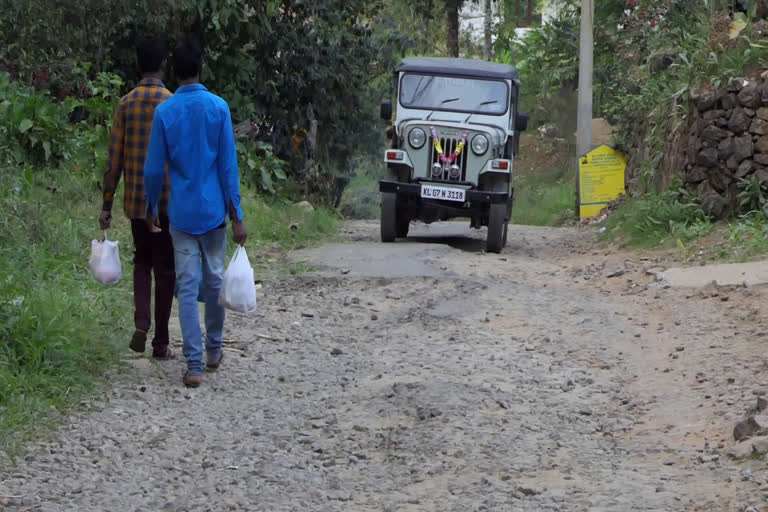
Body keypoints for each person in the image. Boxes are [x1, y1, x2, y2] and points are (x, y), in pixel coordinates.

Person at [144, 40, 247, 388]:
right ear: (201, 68)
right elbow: (228, 168)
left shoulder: (166, 112)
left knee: (187, 285)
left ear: (175, 72)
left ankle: (193, 364)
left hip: (182, 214)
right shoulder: (219, 108)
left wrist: (150, 207)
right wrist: (238, 215)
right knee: (214, 279)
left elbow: (153, 170)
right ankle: (214, 349)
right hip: (215, 212)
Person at [99, 36, 176, 360]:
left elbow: (113, 160)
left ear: (138, 65)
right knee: (166, 269)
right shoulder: (172, 103)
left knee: (142, 262)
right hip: (167, 202)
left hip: (134, 202)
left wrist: (106, 205)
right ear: (163, 66)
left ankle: (142, 323)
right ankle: (161, 342)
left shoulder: (126, 104)